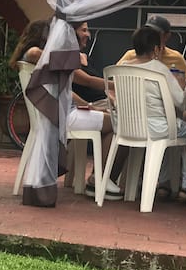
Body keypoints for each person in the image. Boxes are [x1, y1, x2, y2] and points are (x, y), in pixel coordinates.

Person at [11, 19, 124, 201]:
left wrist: (89, 106)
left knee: (108, 117)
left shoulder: (47, 63)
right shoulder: (34, 54)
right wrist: (71, 58)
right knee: (115, 123)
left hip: (59, 114)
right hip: (60, 116)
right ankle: (100, 179)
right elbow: (35, 53)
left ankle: (98, 178)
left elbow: (66, 92)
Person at [120, 26, 186, 204]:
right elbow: (179, 101)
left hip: (130, 127)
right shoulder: (160, 68)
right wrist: (180, 85)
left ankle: (164, 183)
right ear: (156, 49)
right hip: (158, 128)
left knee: (168, 131)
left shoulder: (123, 67)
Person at [118, 15, 186, 128]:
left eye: (156, 33)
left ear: (167, 36)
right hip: (150, 118)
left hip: (163, 112)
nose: (151, 35)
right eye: (148, 31)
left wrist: (182, 85)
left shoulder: (176, 58)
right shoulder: (130, 56)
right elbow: (114, 85)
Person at [71, 21, 108, 110]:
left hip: (104, 102)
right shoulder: (64, 60)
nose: (88, 35)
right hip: (90, 106)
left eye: (88, 30)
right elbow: (88, 81)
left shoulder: (86, 58)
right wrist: (118, 84)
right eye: (84, 30)